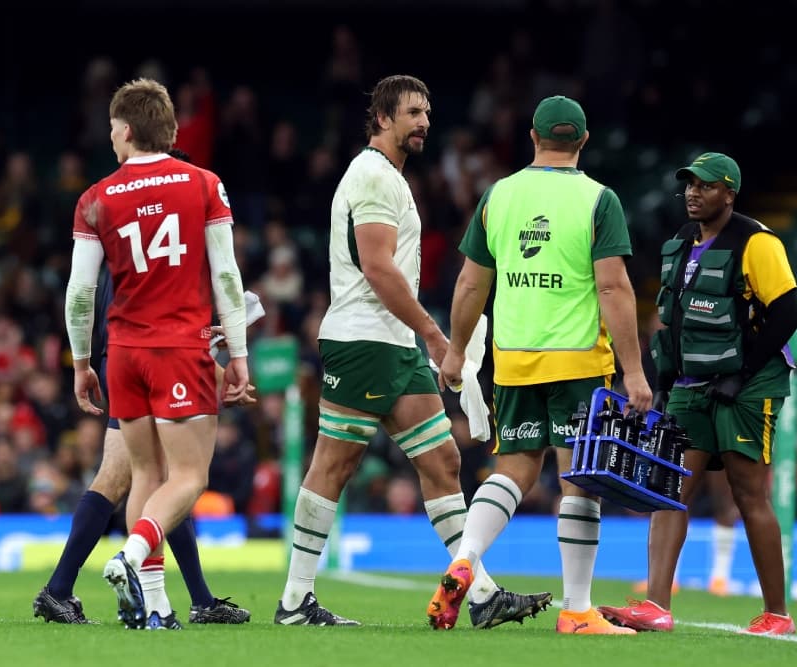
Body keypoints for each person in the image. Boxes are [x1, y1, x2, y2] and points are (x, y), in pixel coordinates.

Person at [274, 74, 551, 629]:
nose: (424, 121)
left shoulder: (389, 179)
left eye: (427, 111)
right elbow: (377, 267)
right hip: (366, 340)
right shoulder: (373, 176)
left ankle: (481, 594)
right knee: (337, 462)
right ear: (382, 118)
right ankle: (295, 601)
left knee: (443, 461)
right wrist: (433, 332)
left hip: (392, 344)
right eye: (413, 112)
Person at [425, 95, 652, 635]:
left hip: (514, 361)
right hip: (578, 362)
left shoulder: (498, 196)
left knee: (515, 472)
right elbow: (614, 286)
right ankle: (576, 611)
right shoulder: (600, 199)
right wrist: (635, 371)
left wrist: (457, 351)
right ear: (583, 142)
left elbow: (471, 282)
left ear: (533, 137)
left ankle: (467, 557)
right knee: (580, 482)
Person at [64, 78, 249, 630]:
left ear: (125, 129)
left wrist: (80, 362)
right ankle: (128, 554)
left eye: (112, 131)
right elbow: (226, 277)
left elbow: (80, 293)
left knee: (145, 473)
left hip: (123, 351)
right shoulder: (204, 185)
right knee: (189, 477)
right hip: (178, 346)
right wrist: (236, 351)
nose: (111, 140)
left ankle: (157, 606)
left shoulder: (95, 198)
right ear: (167, 129)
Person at [600, 152, 797, 635]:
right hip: (690, 386)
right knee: (670, 488)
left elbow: (787, 314)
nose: (693, 192)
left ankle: (777, 614)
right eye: (689, 184)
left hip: (750, 387)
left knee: (748, 492)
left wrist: (743, 373)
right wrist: (664, 382)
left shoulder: (757, 242)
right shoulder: (679, 244)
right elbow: (673, 323)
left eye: (706, 186)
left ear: (729, 194)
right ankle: (657, 606)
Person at [35, 194, 255, 625]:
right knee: (147, 476)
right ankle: (69, 588)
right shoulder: (171, 233)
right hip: (141, 357)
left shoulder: (135, 224)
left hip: (123, 355)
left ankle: (193, 598)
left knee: (153, 477)